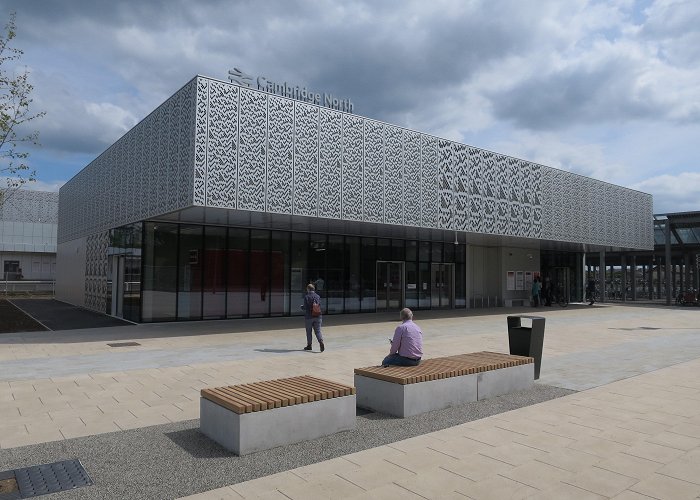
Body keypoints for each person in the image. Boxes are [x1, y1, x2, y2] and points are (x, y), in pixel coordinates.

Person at [302, 283, 324, 352]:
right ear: (314, 289)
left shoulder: (306, 297)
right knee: (318, 331)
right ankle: (321, 341)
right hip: (318, 316)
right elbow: (319, 305)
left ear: (308, 289)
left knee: (309, 332)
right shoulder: (318, 296)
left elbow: (305, 307)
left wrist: (302, 307)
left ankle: (309, 345)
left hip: (309, 317)